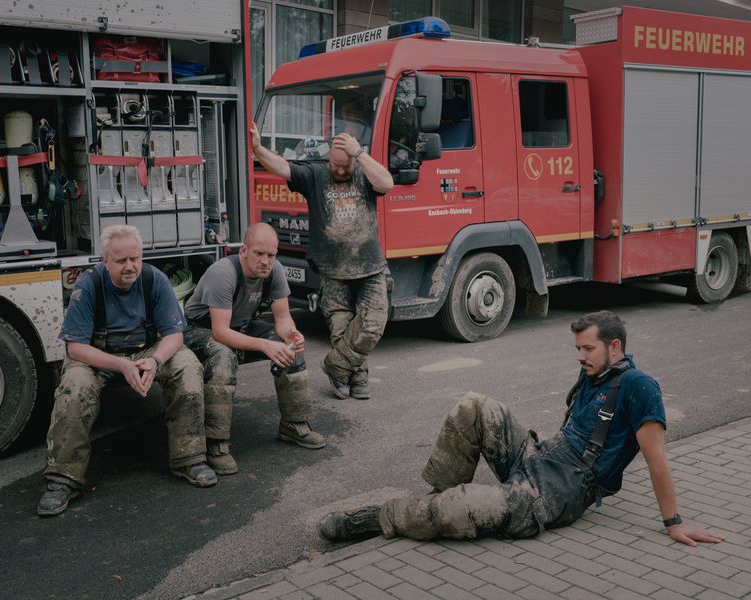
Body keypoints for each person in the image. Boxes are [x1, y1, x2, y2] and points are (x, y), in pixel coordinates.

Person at [318, 311, 725, 547]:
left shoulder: (639, 387)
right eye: (577, 349)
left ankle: (374, 520)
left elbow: (657, 460)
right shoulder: (596, 373)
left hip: (558, 493)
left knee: (460, 509)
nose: (580, 356)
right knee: (473, 406)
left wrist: (674, 523)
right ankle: (433, 504)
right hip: (540, 458)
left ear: (615, 347)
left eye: (588, 348)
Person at [38, 225, 215, 517]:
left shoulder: (154, 279)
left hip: (146, 349)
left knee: (187, 366)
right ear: (104, 260)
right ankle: (62, 480)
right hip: (99, 355)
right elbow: (75, 348)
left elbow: (174, 335)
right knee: (74, 387)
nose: (130, 266)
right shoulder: (88, 286)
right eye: (121, 261)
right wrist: (120, 364)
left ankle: (190, 459)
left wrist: (155, 360)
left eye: (135, 258)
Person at [250, 121, 394, 401]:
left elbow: (387, 183)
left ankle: (336, 366)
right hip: (332, 269)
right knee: (342, 329)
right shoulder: (315, 175)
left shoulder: (365, 173)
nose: (340, 171)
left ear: (354, 159)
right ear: (329, 159)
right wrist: (258, 149)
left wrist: (360, 154)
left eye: (346, 166)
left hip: (370, 267)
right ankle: (357, 377)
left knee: (373, 322)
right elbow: (282, 167)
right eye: (336, 165)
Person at [183, 223, 324, 475]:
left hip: (241, 325)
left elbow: (282, 319)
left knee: (289, 347)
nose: (265, 261)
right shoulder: (223, 273)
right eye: (259, 254)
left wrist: (291, 334)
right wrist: (264, 344)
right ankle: (216, 444)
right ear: (244, 250)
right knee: (223, 356)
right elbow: (220, 332)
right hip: (199, 329)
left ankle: (294, 424)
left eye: (271, 255)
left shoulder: (275, 271)